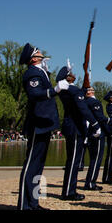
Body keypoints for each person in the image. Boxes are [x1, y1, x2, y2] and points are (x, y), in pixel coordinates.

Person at [17, 43, 69, 210]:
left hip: (44, 123)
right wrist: (54, 90)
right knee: (31, 165)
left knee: (38, 166)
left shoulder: (40, 72)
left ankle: (33, 203)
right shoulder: (32, 73)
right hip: (37, 123)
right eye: (38, 52)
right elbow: (35, 94)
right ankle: (24, 206)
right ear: (34, 59)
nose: (41, 52)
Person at [56, 62, 98, 201]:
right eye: (70, 73)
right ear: (67, 78)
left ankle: (70, 189)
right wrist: (95, 123)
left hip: (72, 127)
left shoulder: (67, 91)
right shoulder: (72, 91)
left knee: (73, 160)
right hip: (75, 127)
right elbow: (83, 109)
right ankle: (68, 192)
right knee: (73, 161)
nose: (73, 74)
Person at [83, 86, 108, 191]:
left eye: (92, 89)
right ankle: (90, 183)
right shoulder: (94, 102)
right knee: (96, 158)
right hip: (96, 132)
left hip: (89, 132)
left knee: (94, 158)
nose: (91, 91)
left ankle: (90, 181)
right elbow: (99, 117)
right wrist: (109, 121)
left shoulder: (85, 102)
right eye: (89, 90)